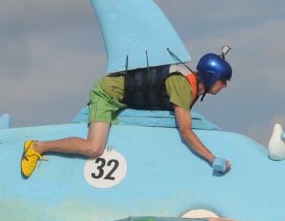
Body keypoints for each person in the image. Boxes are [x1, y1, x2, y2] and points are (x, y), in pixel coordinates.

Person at [21, 51, 232, 178]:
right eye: (223, 81)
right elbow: (186, 132)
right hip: (107, 94)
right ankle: (37, 147)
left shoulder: (191, 88)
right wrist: (212, 159)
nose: (224, 86)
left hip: (125, 101)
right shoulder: (183, 86)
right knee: (94, 148)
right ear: (211, 75)